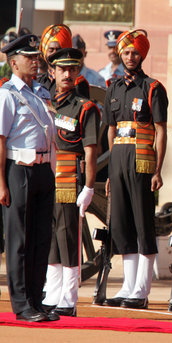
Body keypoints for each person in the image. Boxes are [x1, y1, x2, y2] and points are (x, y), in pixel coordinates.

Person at [102, 29, 168, 309]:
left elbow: (161, 131)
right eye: (126, 52)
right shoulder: (113, 88)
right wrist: (109, 171)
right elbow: (111, 131)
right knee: (121, 225)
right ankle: (127, 286)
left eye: (135, 52)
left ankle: (141, 290)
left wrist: (158, 170)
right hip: (118, 160)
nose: (130, 57)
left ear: (143, 54)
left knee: (142, 223)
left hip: (142, 163)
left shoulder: (153, 87)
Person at [0, 34, 57, 322]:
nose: (36, 61)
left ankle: (37, 299)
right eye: (29, 57)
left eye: (37, 56)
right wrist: (0, 183)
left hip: (44, 170)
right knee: (20, 240)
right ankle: (22, 305)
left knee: (41, 239)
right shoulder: (7, 94)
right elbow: (0, 140)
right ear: (13, 62)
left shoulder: (42, 93)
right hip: (18, 169)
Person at [41, 48, 100, 317]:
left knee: (67, 237)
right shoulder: (43, 102)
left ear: (77, 72)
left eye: (72, 69)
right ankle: (52, 293)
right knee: (50, 236)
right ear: (51, 71)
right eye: (62, 69)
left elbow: (90, 151)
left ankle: (68, 298)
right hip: (45, 174)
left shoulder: (84, 107)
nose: (67, 74)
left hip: (69, 177)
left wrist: (88, 187)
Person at [37, 24, 73, 94]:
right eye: (51, 50)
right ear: (44, 52)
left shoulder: (76, 83)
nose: (55, 54)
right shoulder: (37, 83)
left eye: (59, 50)